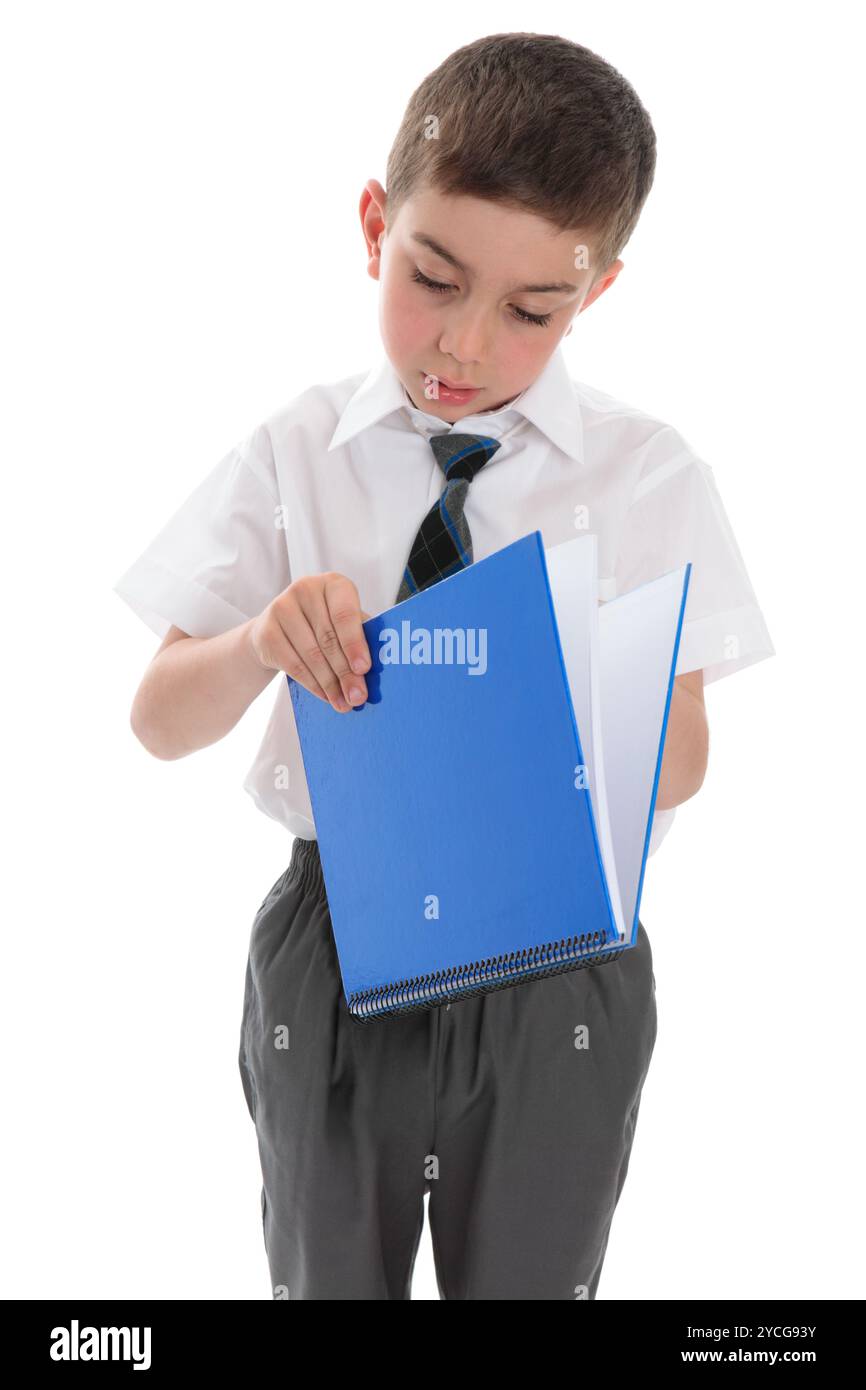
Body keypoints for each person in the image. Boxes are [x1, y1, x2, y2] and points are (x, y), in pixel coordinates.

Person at [113, 32, 775, 1299]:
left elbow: (683, 755)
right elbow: (155, 719)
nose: (463, 343)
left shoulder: (643, 473)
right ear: (374, 223)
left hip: (556, 946)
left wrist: (544, 673)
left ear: (595, 293)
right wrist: (264, 641)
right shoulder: (296, 447)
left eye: (532, 311)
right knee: (326, 1280)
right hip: (336, 931)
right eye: (433, 276)